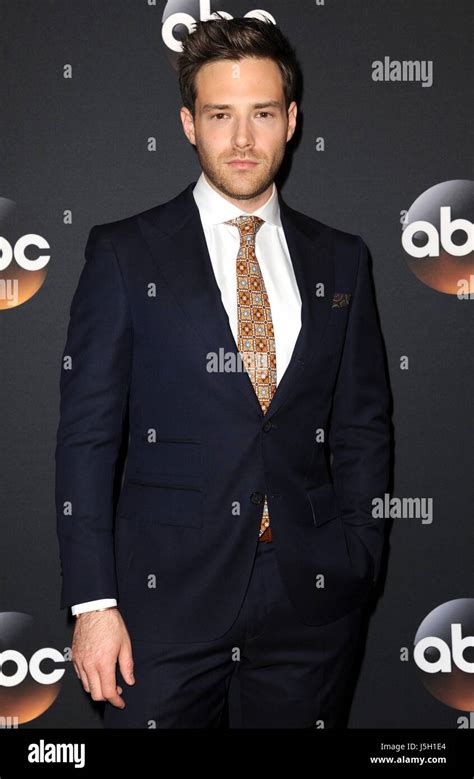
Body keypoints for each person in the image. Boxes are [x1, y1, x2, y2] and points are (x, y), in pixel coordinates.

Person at [55, 15, 391, 728]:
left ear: (292, 119)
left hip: (310, 603)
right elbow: (86, 438)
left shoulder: (344, 260)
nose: (242, 140)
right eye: (220, 115)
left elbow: (362, 426)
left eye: (262, 114)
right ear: (188, 123)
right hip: (160, 610)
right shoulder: (124, 254)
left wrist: (358, 557)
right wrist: (93, 604)